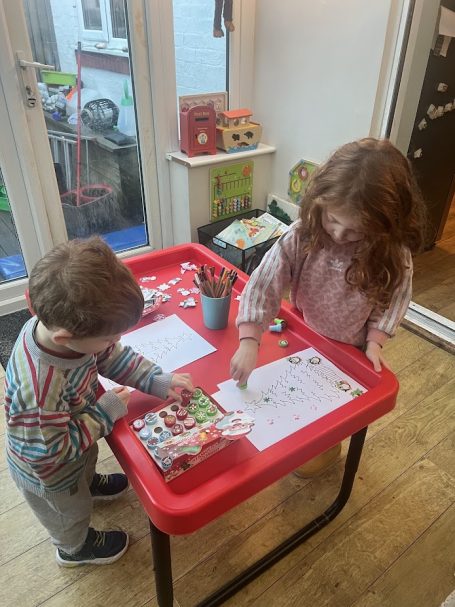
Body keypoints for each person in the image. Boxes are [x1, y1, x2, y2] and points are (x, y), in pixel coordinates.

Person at [230, 137, 426, 477]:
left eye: (355, 230)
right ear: (319, 201)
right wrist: (249, 339)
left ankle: (328, 445)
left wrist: (376, 341)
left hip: (350, 347)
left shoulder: (393, 253)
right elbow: (265, 282)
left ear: (385, 226)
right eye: (332, 219)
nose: (338, 234)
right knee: (294, 406)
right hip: (302, 334)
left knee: (327, 416)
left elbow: (394, 299)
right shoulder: (303, 234)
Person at [4, 237, 194, 566]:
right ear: (65, 338)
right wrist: (104, 413)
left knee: (86, 465)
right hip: (52, 473)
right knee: (70, 514)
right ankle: (75, 549)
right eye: (109, 337)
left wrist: (156, 380)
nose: (115, 342)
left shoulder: (63, 330)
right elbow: (51, 452)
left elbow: (112, 357)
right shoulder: (40, 390)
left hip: (75, 444)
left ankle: (88, 482)